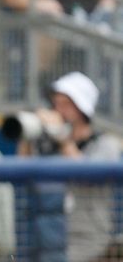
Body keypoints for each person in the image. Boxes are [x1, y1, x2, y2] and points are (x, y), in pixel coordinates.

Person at [17, 71, 120, 262]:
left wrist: (62, 138)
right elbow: (23, 173)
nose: (58, 110)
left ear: (82, 109)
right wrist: (26, 137)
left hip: (89, 243)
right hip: (46, 241)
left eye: (65, 104)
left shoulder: (106, 144)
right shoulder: (49, 144)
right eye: (55, 103)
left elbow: (87, 175)